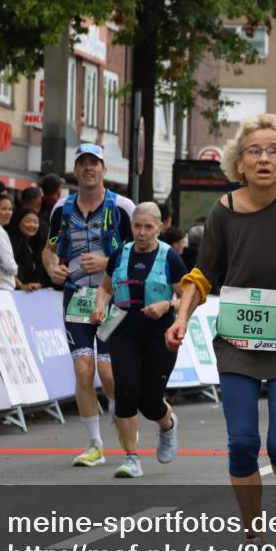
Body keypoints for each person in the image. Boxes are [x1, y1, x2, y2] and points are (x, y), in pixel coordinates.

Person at [166, 113, 276, 551]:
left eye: (274, 150)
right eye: (254, 151)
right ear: (238, 164)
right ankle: (254, 540)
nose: (265, 158)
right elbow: (202, 275)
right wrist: (181, 317)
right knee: (242, 444)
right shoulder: (223, 211)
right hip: (238, 341)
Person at [43, 144, 134, 467]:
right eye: (82, 163)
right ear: (75, 171)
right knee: (83, 370)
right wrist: (51, 266)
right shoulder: (61, 210)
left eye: (94, 163)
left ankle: (125, 435)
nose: (88, 168)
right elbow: (50, 248)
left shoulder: (123, 207)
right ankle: (95, 444)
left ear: (104, 169)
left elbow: (140, 253)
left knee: (109, 376)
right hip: (76, 298)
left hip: (112, 301)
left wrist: (107, 261)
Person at [91, 202, 186, 478]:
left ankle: (167, 424)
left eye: (148, 227)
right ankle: (131, 458)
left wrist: (167, 305)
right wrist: (99, 307)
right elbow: (106, 288)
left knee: (150, 402)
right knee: (125, 391)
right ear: (131, 226)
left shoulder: (170, 258)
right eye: (137, 226)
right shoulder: (121, 253)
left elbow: (185, 298)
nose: (142, 233)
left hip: (160, 334)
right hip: (124, 328)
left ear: (159, 227)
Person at [10, 207, 51, 290]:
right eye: (28, 221)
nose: (32, 225)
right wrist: (21, 285)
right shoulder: (12, 243)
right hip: (17, 291)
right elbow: (7, 270)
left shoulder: (38, 243)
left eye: (36, 222)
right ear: (18, 222)